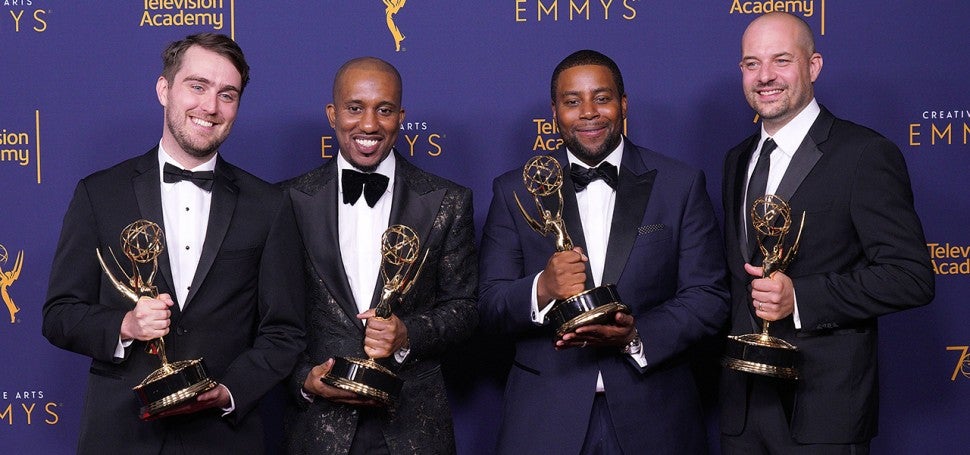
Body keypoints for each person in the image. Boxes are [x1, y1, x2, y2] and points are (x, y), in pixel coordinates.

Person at [42, 33, 306, 455]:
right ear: (164, 89)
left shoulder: (269, 206)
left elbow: (284, 331)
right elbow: (59, 315)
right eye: (197, 86)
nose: (210, 106)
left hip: (224, 439)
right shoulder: (100, 194)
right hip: (121, 436)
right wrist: (125, 325)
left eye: (227, 95)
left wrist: (229, 391)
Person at [479, 49, 730, 454]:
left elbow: (708, 297)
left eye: (602, 98)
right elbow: (489, 306)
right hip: (545, 420)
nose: (589, 113)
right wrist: (542, 288)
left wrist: (636, 334)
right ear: (555, 112)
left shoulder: (680, 184)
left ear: (623, 104)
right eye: (572, 101)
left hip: (656, 415)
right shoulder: (515, 191)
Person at [719, 12, 935, 454]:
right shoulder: (737, 158)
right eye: (752, 63)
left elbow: (911, 277)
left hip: (822, 411)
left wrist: (801, 298)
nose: (765, 76)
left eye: (781, 60)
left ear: (813, 66)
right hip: (743, 410)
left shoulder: (864, 154)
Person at [282, 57, 478, 455]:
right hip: (318, 428)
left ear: (401, 117)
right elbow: (271, 317)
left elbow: (465, 309)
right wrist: (303, 378)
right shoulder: (287, 201)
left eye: (384, 110)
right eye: (355, 108)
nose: (369, 125)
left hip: (414, 427)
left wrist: (407, 333)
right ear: (333, 114)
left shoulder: (448, 201)